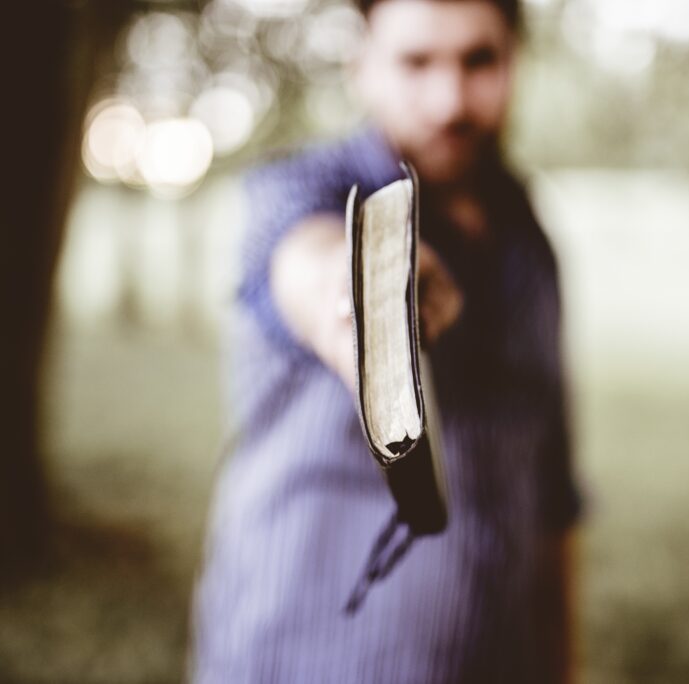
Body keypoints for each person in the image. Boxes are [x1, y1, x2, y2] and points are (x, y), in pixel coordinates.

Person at [191, 0, 583, 681]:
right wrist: (364, 302)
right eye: (416, 62)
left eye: (478, 60)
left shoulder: (529, 237)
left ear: (515, 62)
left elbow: (552, 492)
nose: (449, 99)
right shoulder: (298, 191)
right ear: (362, 69)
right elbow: (307, 264)